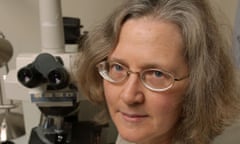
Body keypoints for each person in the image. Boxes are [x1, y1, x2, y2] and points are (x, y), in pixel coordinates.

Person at [76, 0, 240, 143]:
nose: (128, 96)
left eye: (157, 74)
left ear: (198, 85)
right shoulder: (137, 134)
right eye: (118, 67)